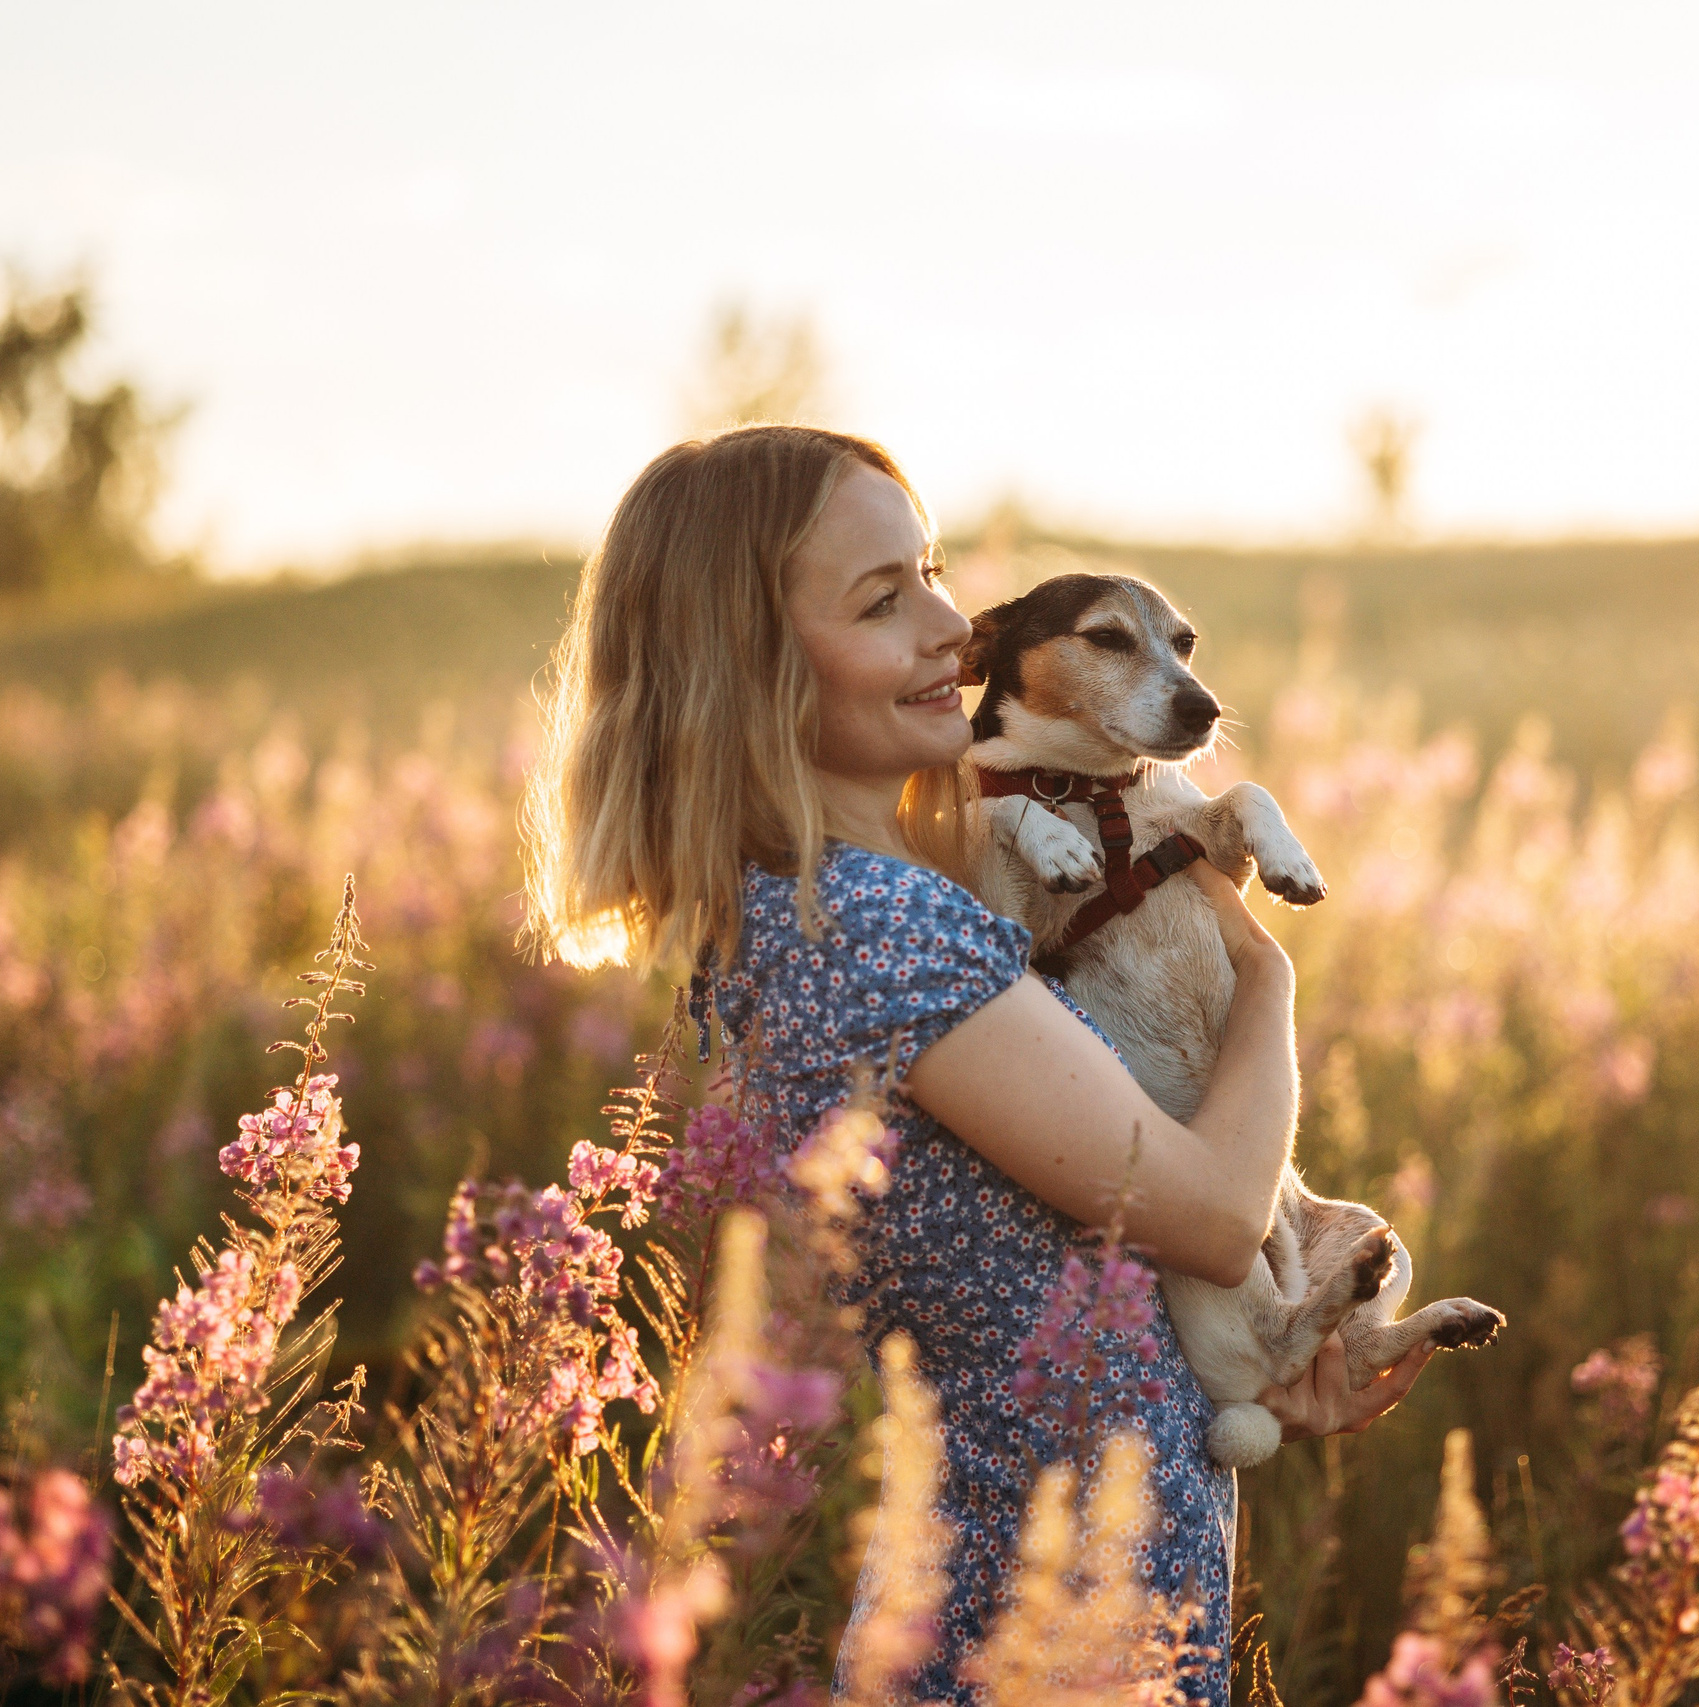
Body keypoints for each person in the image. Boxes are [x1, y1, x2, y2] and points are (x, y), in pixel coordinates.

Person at [523, 425, 1439, 1704]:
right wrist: (1268, 980)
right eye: (883, 600)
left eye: (935, 571)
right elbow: (1219, 1220)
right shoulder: (881, 932)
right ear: (755, 663)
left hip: (1056, 1601)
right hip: (1029, 1633)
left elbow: (1039, 1273)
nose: (953, 628)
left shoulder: (839, 906)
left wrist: (1253, 1377)